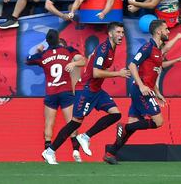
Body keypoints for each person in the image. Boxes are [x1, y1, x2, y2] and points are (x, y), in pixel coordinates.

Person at [42, 22, 131, 164]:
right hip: (86, 90)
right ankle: (50, 151)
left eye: (122, 32)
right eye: (118, 32)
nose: (121, 35)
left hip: (96, 90)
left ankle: (86, 136)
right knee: (75, 123)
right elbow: (96, 73)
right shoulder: (104, 49)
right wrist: (118, 74)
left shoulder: (110, 48)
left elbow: (92, 60)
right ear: (110, 34)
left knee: (116, 114)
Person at [103, 20, 181, 164]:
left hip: (144, 89)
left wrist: (157, 92)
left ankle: (110, 153)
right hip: (141, 90)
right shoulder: (148, 47)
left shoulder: (157, 50)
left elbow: (152, 74)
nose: (168, 32)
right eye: (166, 29)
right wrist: (142, 86)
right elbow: (132, 65)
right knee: (158, 122)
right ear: (158, 32)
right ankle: (124, 127)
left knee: (133, 125)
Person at [26, 29, 86, 162]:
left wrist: (38, 51)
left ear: (47, 42)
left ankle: (48, 151)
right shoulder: (68, 50)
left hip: (51, 93)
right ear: (59, 39)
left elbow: (27, 60)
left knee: (49, 123)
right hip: (66, 91)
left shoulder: (43, 55)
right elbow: (83, 61)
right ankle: (76, 151)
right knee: (71, 123)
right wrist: (73, 63)